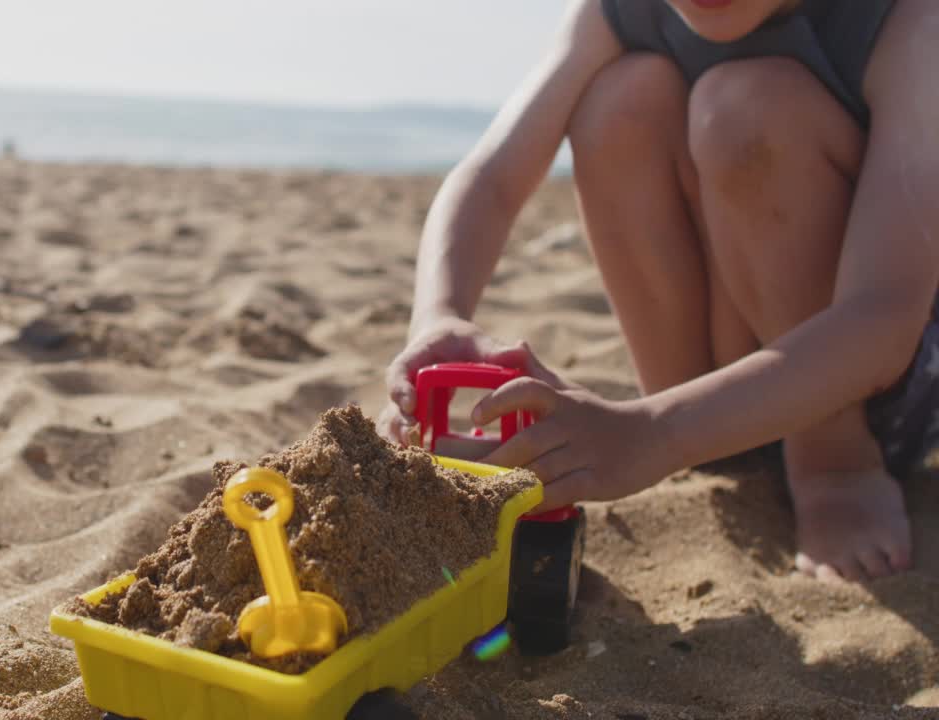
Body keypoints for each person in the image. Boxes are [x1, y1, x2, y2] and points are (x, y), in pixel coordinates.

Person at [377, 0, 938, 584]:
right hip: (703, 397)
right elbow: (491, 178)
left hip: (873, 396)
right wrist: (438, 315)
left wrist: (652, 435)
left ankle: (834, 462)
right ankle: (690, 419)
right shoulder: (614, 12)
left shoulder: (909, 23)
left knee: (746, 106)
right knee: (619, 100)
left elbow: (886, 312)